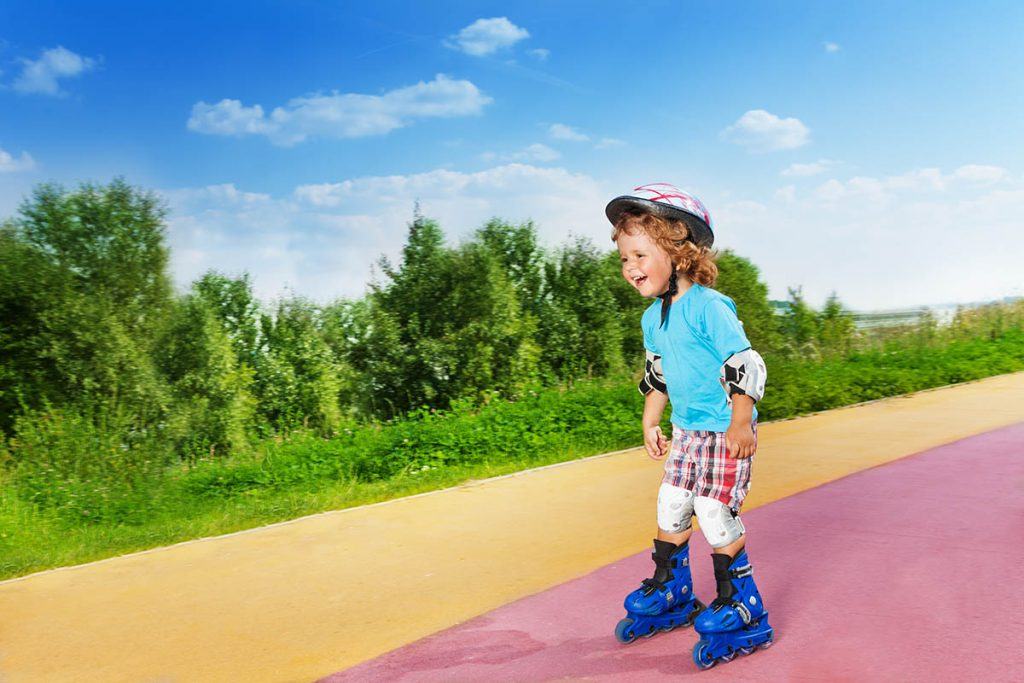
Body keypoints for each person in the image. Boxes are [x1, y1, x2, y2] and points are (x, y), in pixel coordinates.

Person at [608, 183, 773, 669]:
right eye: (623, 258)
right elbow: (658, 372)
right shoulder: (651, 319)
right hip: (687, 433)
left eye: (640, 254)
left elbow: (744, 363)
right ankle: (673, 591)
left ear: (678, 250)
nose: (631, 267)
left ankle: (743, 604)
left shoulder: (710, 306)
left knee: (714, 511)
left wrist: (742, 422)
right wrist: (650, 419)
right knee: (671, 503)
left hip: (724, 430)